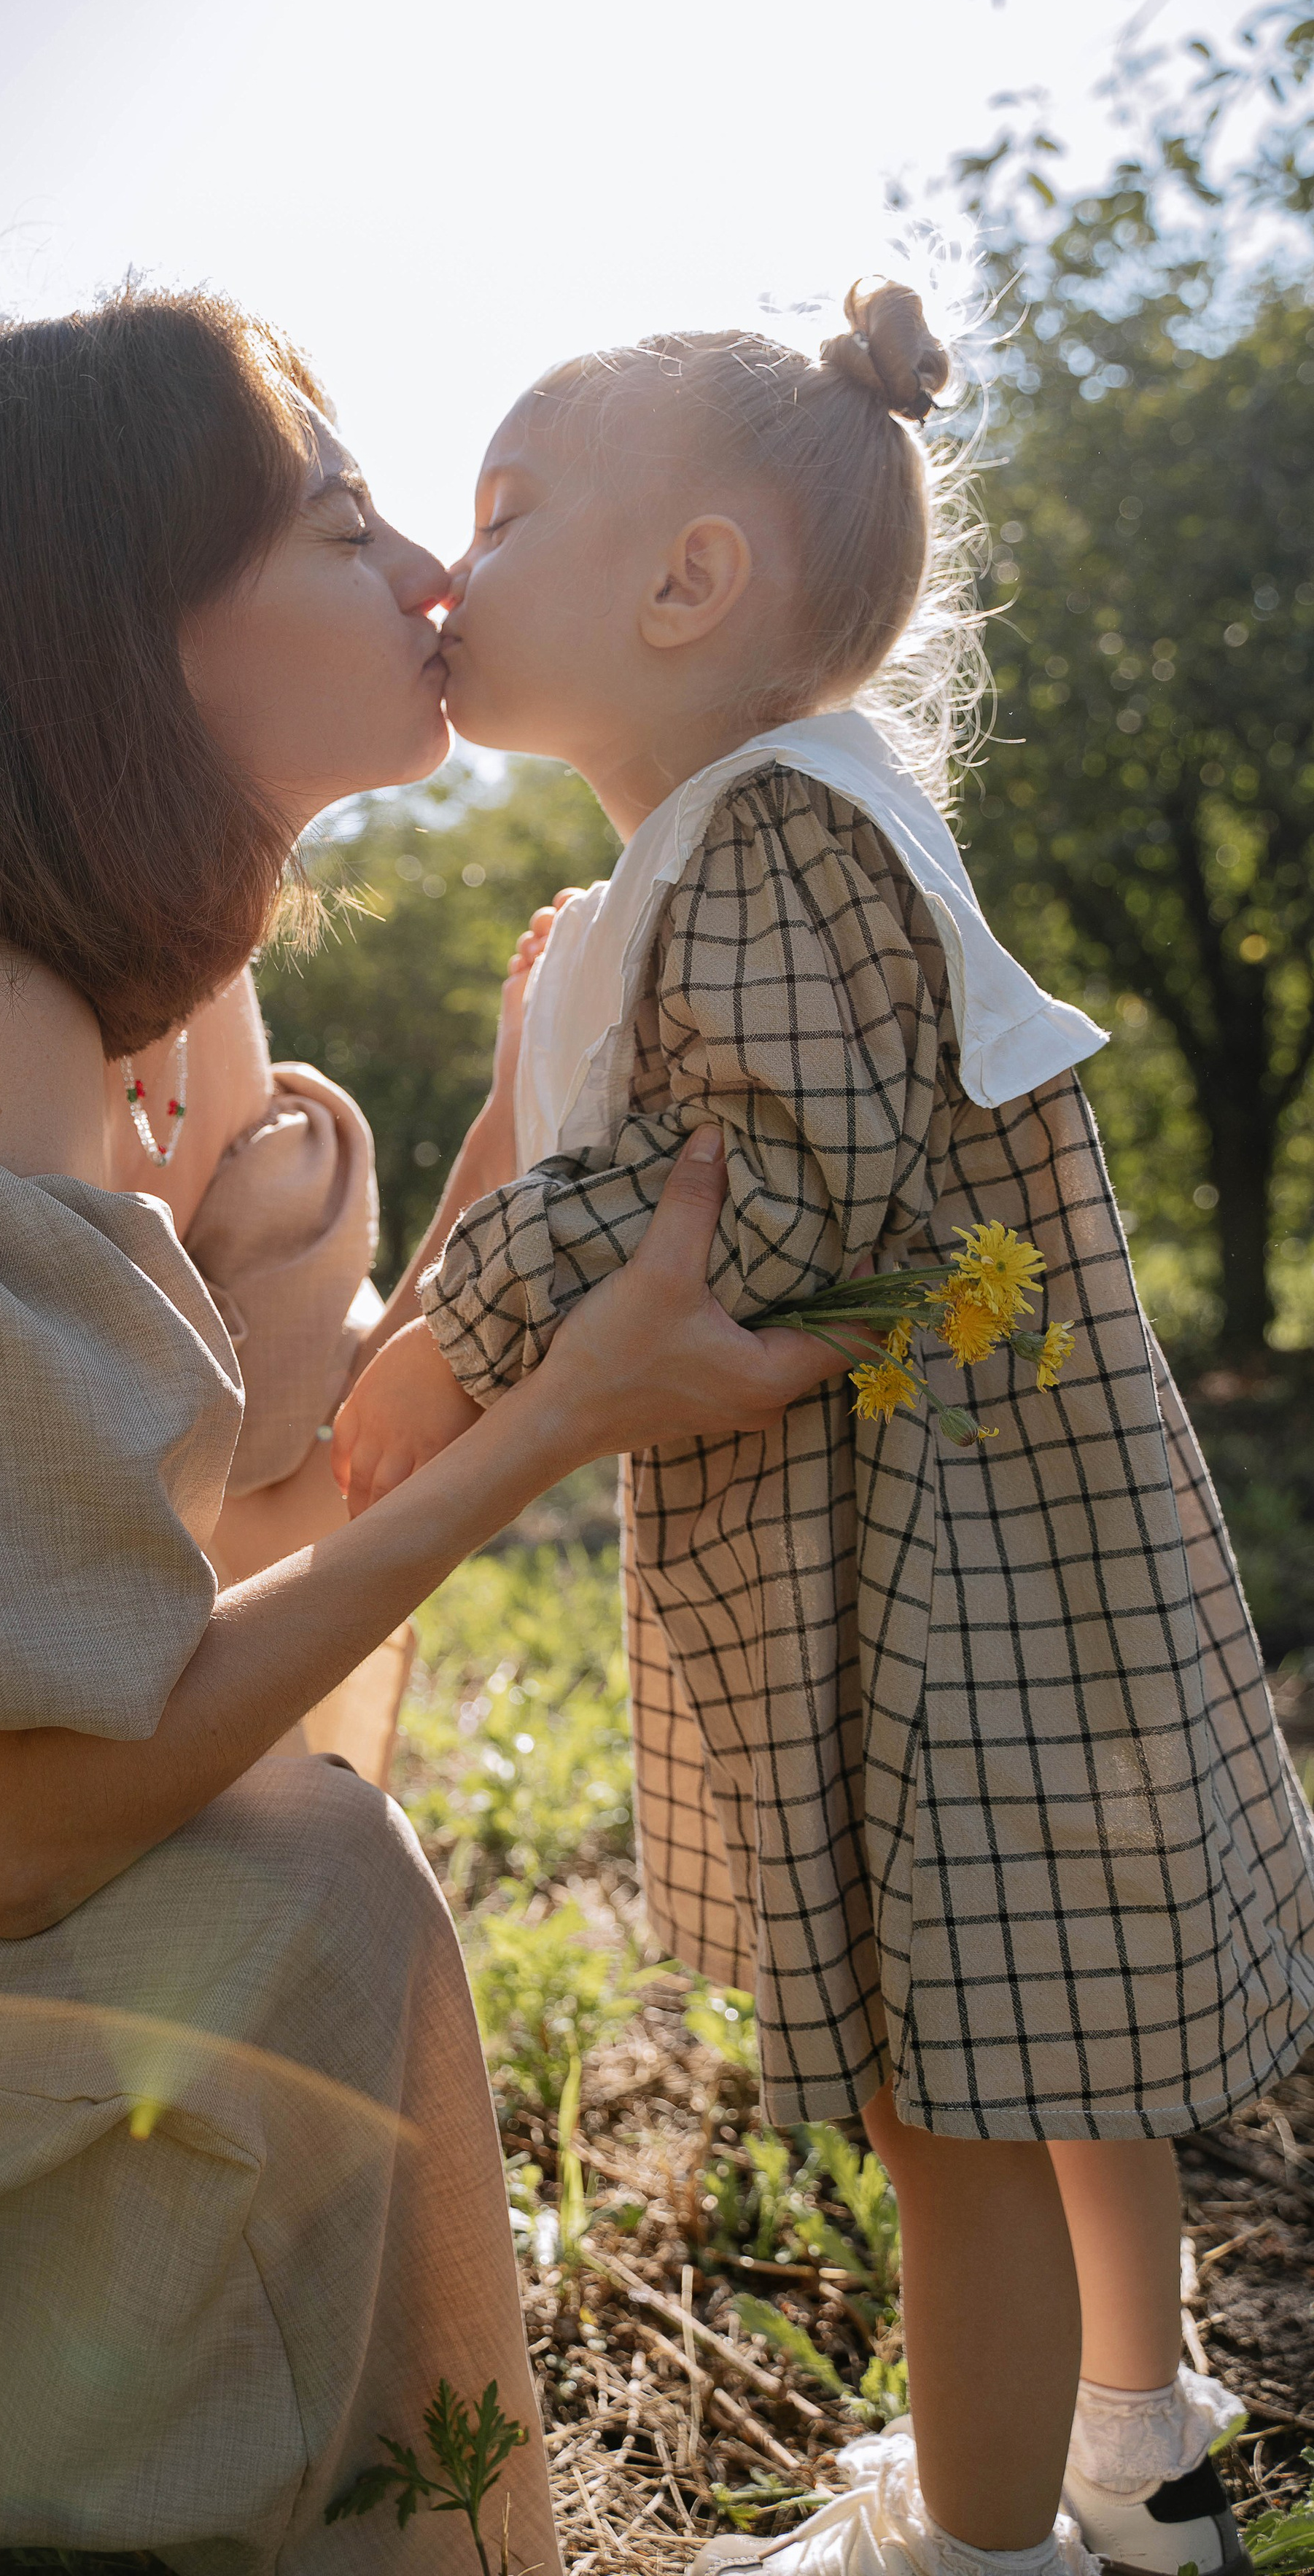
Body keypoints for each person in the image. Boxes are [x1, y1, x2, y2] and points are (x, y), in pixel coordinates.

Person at [0, 287, 842, 2572]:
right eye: (338, 524)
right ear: (125, 628)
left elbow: (230, 1583)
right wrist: (560, 1424)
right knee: (304, 1894)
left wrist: (518, 1145)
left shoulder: (174, 1008)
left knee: (292, 1862)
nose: (428, 580)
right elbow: (29, 1832)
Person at [333, 282, 1314, 2576]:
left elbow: (759, 1188)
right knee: (1049, 2021)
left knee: (946, 2084)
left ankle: (983, 2551)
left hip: (919, 1584)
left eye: (500, 515)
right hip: (996, 1548)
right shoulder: (747, 836)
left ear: (689, 586)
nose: (451, 577)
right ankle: (1134, 2444)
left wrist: (456, 1333)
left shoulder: (767, 842)